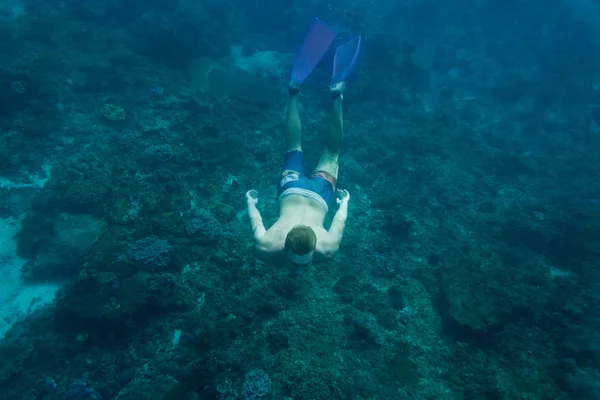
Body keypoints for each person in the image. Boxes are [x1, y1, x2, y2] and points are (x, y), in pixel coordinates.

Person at [246, 80, 350, 269]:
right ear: (284, 248)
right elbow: (339, 221)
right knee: (329, 152)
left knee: (297, 148)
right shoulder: (326, 248)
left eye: (304, 263)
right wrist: (344, 203)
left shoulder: (267, 246)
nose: (300, 271)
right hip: (303, 190)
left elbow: (256, 221)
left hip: (305, 192)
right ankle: (325, 96)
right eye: (297, 264)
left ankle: (301, 94)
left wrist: (250, 203)